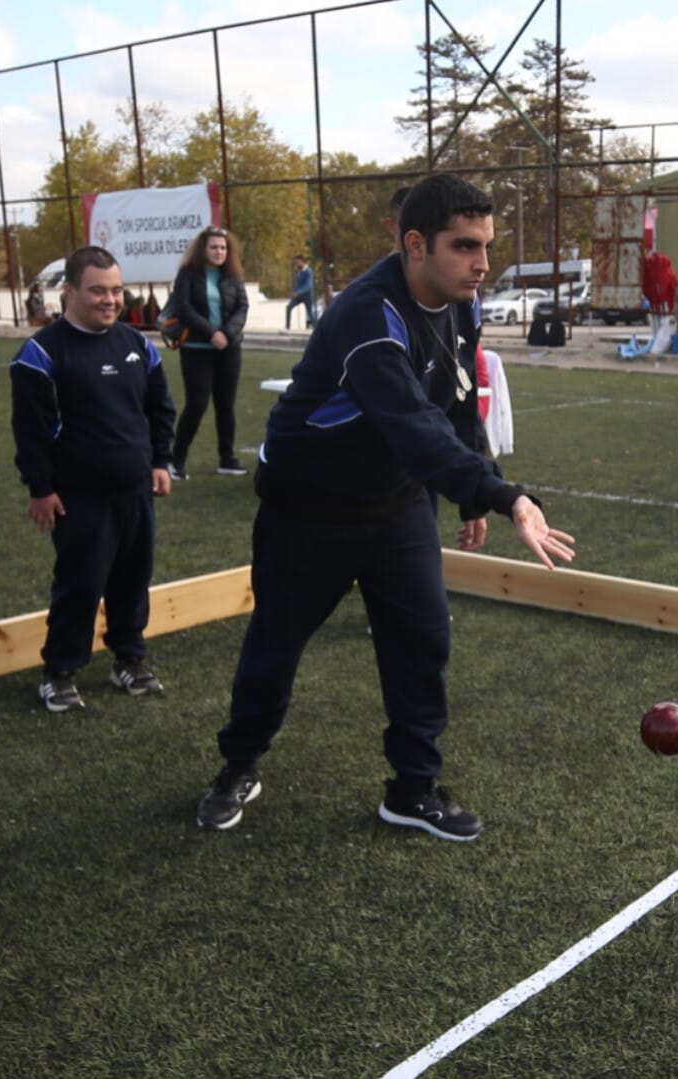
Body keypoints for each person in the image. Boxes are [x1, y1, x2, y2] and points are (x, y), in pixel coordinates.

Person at [194, 173, 575, 842]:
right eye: (465, 247)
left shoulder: (462, 302)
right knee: (275, 647)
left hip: (396, 504)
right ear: (415, 244)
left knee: (424, 639)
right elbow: (411, 425)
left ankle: (412, 789)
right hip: (306, 510)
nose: (482, 264)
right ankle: (237, 765)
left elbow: (455, 405)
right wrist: (505, 494)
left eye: (487, 245)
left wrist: (477, 486)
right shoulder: (370, 316)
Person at [10, 246, 178, 712]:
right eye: (98, 290)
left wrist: (160, 461)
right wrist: (40, 488)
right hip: (78, 497)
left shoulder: (137, 345)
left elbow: (159, 408)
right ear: (70, 292)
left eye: (116, 289)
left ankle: (130, 658)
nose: (110, 299)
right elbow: (30, 431)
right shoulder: (40, 354)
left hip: (135, 490)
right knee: (81, 584)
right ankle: (59, 671)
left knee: (132, 579)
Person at [166, 226, 251, 479]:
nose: (219, 252)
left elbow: (242, 306)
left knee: (226, 404)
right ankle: (176, 462)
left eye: (223, 247)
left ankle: (227, 459)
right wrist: (211, 332)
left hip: (229, 348)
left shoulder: (233, 275)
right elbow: (183, 307)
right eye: (214, 247)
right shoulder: (188, 274)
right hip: (196, 349)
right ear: (203, 249)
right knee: (197, 403)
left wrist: (227, 333)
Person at [284, 255, 316, 330]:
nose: (296, 264)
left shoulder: (309, 271)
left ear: (302, 261)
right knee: (288, 307)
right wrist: (294, 291)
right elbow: (297, 284)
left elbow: (308, 286)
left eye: (297, 262)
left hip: (307, 296)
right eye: (295, 262)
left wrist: (299, 292)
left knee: (310, 313)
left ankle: (316, 329)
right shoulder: (299, 271)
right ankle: (287, 327)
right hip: (298, 296)